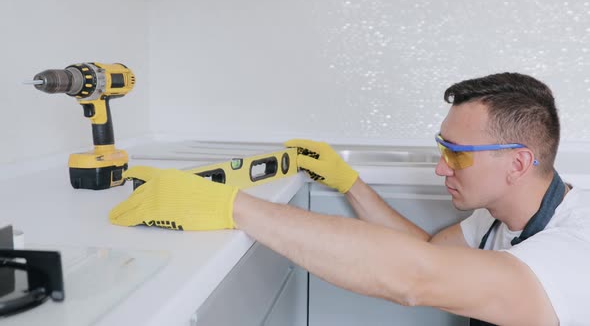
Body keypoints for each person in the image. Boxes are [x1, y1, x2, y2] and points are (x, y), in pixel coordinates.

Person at [109, 72, 590, 326]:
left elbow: (414, 278)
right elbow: (425, 251)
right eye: (442, 149)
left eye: (458, 155)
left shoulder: (576, 250)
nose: (441, 167)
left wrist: (231, 206)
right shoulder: (497, 219)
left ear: (519, 163)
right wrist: (347, 182)